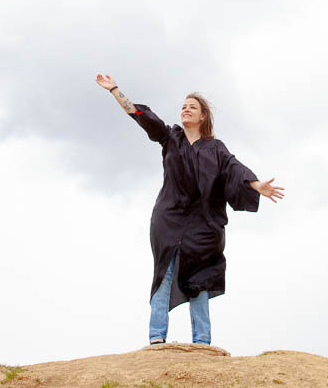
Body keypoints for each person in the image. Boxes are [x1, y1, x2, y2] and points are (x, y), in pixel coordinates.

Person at [95, 74, 285, 347]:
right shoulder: (171, 138)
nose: (185, 109)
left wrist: (256, 185)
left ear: (203, 116)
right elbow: (141, 116)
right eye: (183, 106)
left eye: (192, 107)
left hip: (204, 223)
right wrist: (114, 89)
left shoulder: (215, 148)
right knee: (165, 272)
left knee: (201, 278)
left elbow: (234, 169)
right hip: (169, 218)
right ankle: (157, 338)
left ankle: (202, 342)